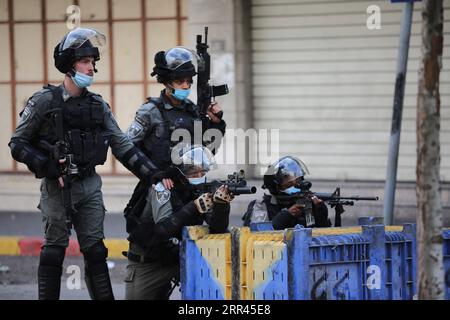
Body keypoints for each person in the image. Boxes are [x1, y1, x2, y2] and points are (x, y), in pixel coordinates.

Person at [8, 27, 161, 300]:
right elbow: (17, 144)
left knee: (96, 251)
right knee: (54, 251)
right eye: (84, 62)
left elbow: (123, 146)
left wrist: (154, 175)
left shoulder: (97, 105)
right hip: (57, 186)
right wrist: (46, 166)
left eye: (92, 62)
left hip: (89, 186)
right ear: (69, 65)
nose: (91, 68)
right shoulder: (44, 101)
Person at [124, 145, 234, 300]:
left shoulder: (201, 189)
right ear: (180, 172)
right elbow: (162, 229)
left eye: (202, 171)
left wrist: (222, 205)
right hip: (148, 263)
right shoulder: (162, 187)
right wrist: (194, 206)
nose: (199, 175)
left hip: (179, 257)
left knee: (213, 289)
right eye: (193, 172)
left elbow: (217, 229)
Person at [125, 46, 226, 170]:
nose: (185, 86)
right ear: (166, 82)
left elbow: (207, 151)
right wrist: (152, 174)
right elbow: (127, 148)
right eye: (180, 82)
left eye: (188, 82)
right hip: (162, 184)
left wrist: (216, 124)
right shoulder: (151, 111)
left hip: (192, 180)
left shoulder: (192, 110)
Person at [242, 156, 332, 230]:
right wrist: (286, 216)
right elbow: (254, 235)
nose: (296, 187)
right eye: (289, 184)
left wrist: (320, 212)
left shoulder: (305, 203)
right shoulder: (261, 205)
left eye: (298, 182)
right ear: (277, 187)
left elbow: (319, 234)